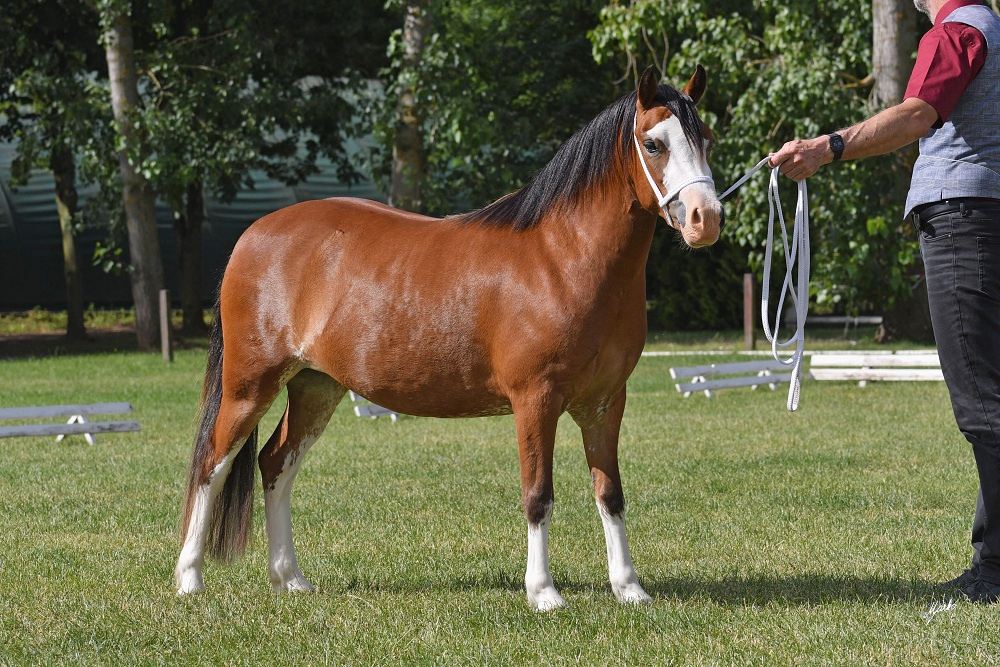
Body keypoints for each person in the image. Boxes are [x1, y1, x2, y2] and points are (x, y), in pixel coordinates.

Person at [769, 0, 1000, 603]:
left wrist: (827, 148)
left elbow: (917, 114)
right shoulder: (992, 32)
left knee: (981, 404)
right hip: (985, 218)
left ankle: (996, 571)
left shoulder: (956, 33)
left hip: (964, 222)